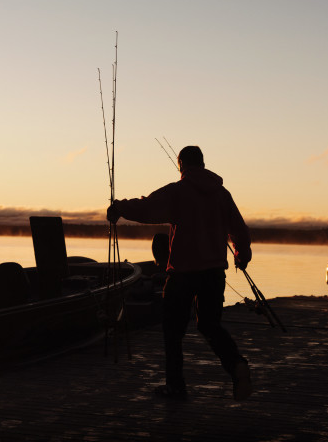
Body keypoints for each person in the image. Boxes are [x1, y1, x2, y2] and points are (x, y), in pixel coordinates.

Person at [107, 145, 253, 401]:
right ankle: (236, 365)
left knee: (173, 331)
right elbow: (239, 229)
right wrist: (242, 255)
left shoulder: (178, 191)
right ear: (203, 164)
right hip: (214, 272)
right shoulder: (222, 194)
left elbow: (147, 207)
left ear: (182, 164)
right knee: (210, 325)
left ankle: (176, 386)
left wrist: (119, 208)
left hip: (183, 273)